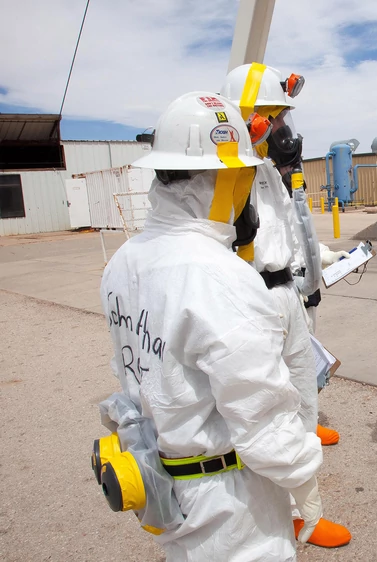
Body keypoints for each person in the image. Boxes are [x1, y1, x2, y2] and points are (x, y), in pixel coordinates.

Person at [100, 92, 324, 561]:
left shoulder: (124, 260)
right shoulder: (218, 276)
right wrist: (303, 478)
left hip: (166, 485)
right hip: (232, 504)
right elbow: (259, 411)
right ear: (226, 180)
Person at [221, 63, 351, 548]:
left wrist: (317, 264)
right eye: (273, 119)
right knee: (263, 411)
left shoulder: (271, 175)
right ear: (248, 120)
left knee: (302, 402)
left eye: (283, 120)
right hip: (250, 301)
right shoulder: (225, 175)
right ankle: (265, 512)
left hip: (287, 296)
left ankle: (307, 516)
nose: (283, 132)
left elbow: (289, 232)